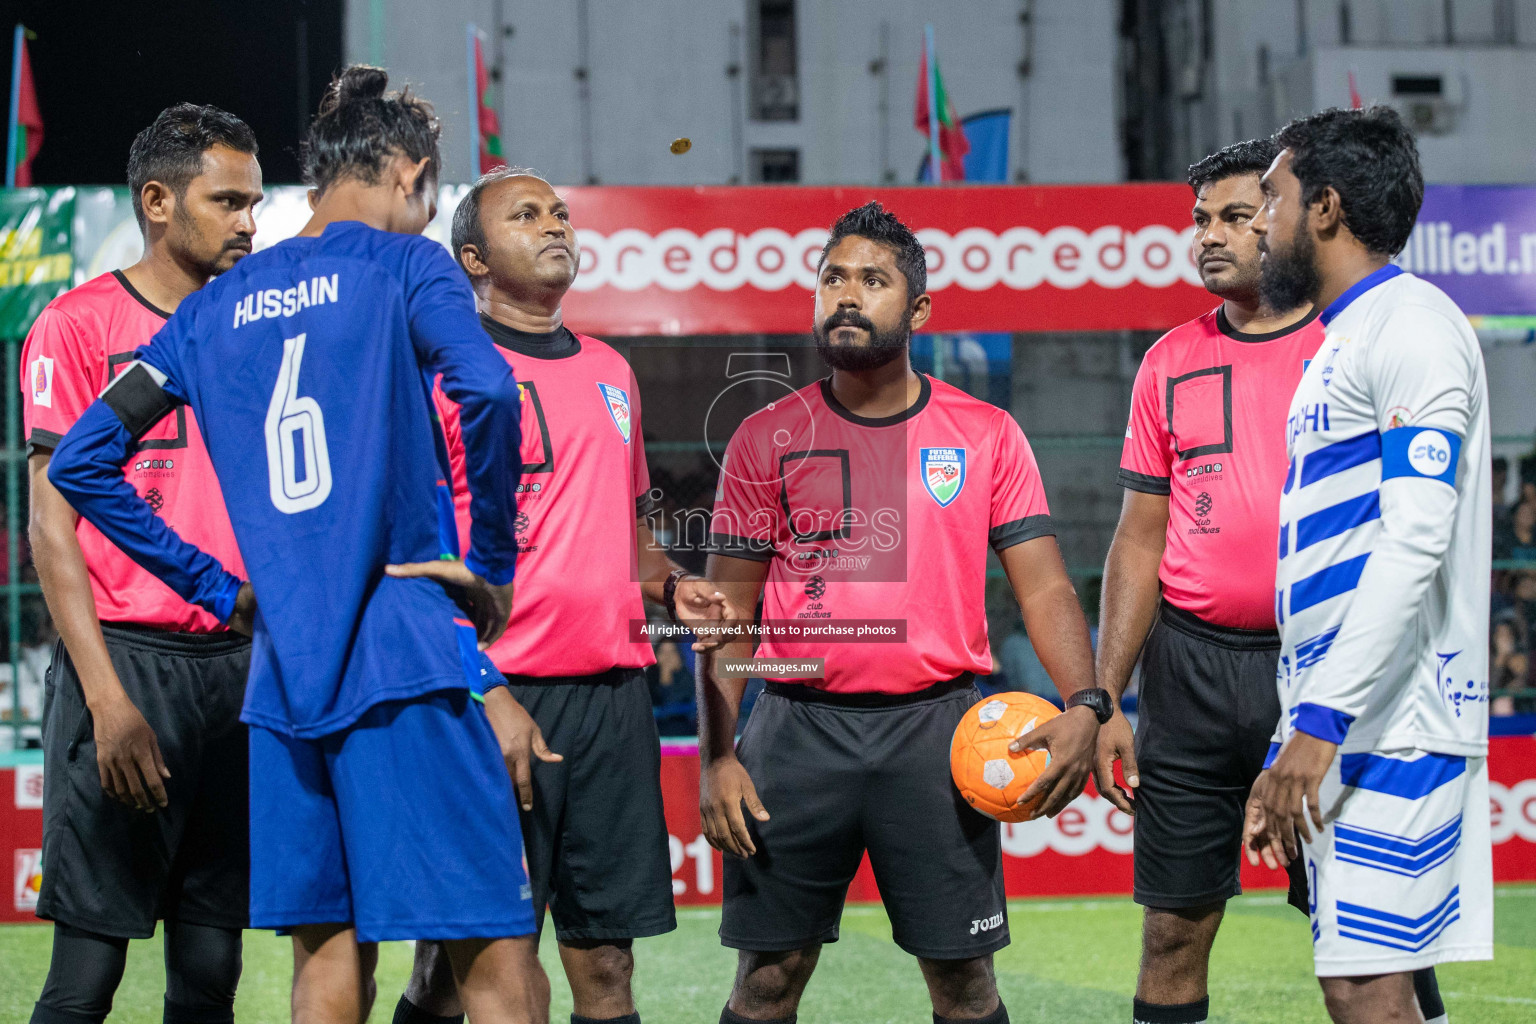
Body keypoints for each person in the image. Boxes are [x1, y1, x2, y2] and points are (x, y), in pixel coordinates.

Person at [46, 66, 548, 1024]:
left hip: (280, 674)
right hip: (402, 650)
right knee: (489, 949)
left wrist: (216, 585)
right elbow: (485, 392)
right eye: (430, 196)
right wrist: (490, 566)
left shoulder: (207, 312)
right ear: (409, 173)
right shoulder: (410, 267)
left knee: (325, 962)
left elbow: (81, 462)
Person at [698, 201, 1108, 1024]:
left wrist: (1088, 704)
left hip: (939, 737)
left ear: (917, 310)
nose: (846, 295)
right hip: (795, 730)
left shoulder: (986, 433)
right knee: (769, 979)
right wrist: (716, 756)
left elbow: (1045, 589)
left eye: (872, 280)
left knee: (963, 984)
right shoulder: (762, 437)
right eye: (833, 277)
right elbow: (727, 612)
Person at [398, 167, 737, 1024]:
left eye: (558, 212)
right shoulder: (439, 372)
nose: (554, 225)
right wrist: (478, 683)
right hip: (492, 699)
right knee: (462, 969)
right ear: (472, 256)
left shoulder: (612, 370)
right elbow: (413, 555)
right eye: (526, 215)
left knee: (608, 965)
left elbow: (629, 527)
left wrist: (670, 585)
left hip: (612, 700)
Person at [1098, 137, 1396, 1024]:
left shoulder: (1353, 343)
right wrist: (1104, 696)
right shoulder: (1166, 361)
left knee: (1368, 943)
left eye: (1237, 215)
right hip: (1188, 673)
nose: (1211, 236)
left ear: (1291, 217)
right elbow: (1137, 539)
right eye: (1200, 221)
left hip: (1321, 667)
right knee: (1173, 932)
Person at [1245, 105, 1492, 1024]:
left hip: (1397, 719)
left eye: (1271, 198)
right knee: (1371, 982)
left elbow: (1413, 538)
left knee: (1364, 985)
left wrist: (1320, 722)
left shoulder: (1412, 327)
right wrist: (1290, 737)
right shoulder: (1343, 339)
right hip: (1353, 717)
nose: (1257, 221)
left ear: (1326, 209)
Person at [21, 103, 261, 1024]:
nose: (250, 221)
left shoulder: (253, 327)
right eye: (228, 200)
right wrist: (107, 700)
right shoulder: (77, 325)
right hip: (122, 665)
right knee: (87, 975)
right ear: (158, 201)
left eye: (254, 202)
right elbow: (54, 526)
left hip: (237, 673)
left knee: (210, 970)